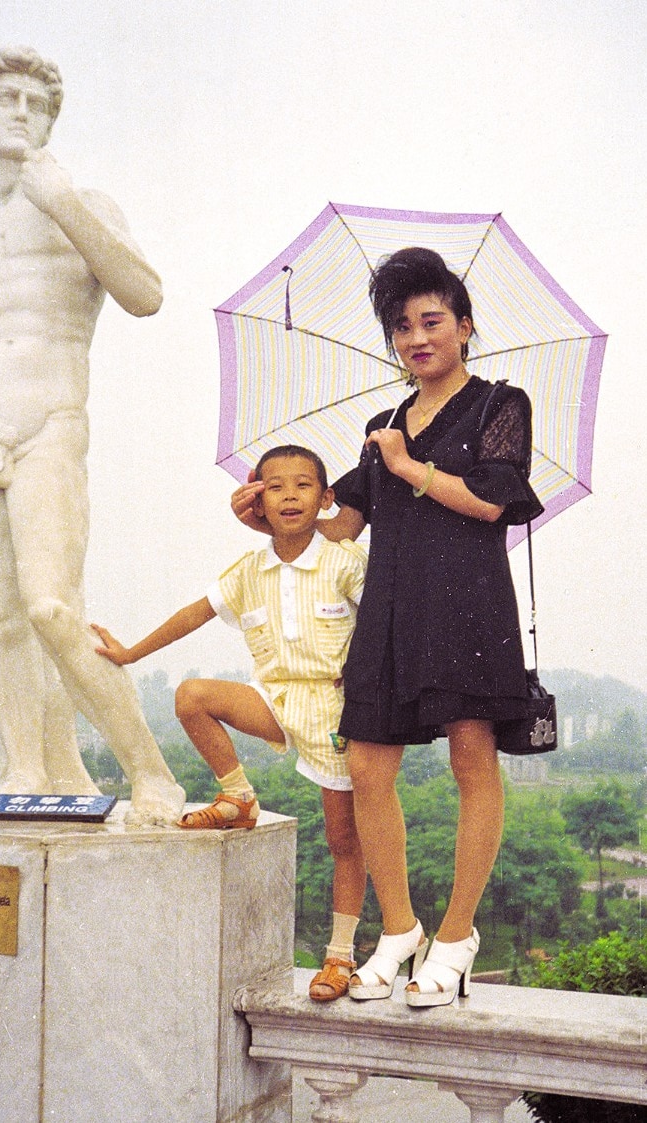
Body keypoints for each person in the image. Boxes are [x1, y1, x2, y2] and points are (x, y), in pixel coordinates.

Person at [232, 248, 542, 1006]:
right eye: (401, 326)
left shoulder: (501, 402)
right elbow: (343, 525)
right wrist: (277, 512)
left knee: (473, 757)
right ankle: (399, 928)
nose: (416, 337)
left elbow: (495, 502)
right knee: (368, 765)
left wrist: (410, 469)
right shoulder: (383, 426)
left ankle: (457, 933)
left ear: (465, 327)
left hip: (469, 606)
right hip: (391, 611)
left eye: (432, 320)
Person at [0, 46, 184, 824]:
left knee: (52, 606)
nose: (23, 112)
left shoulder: (82, 203)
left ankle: (150, 772)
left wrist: (65, 205)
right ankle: (23, 767)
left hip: (49, 422)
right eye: (7, 99)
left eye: (37, 103)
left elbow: (145, 294)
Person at [92, 445, 369, 1002]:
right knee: (193, 696)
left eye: (303, 485)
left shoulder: (345, 561)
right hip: (274, 699)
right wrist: (131, 654)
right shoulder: (250, 570)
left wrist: (366, 680)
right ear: (255, 500)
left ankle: (340, 956)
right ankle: (237, 797)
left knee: (344, 838)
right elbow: (194, 614)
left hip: (338, 711)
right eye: (275, 486)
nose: (289, 496)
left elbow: (387, 627)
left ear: (326, 499)